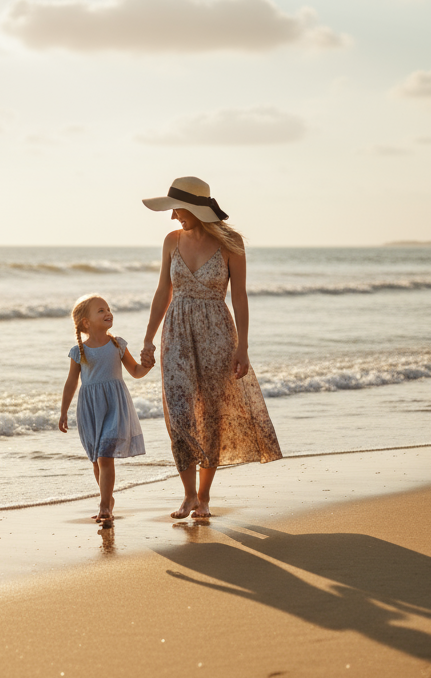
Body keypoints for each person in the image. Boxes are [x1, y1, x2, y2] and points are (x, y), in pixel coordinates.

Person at [139, 176, 282, 519]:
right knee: (178, 411)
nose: (173, 217)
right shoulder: (171, 241)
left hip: (218, 332)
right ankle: (187, 494)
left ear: (195, 208)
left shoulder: (231, 243)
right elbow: (163, 292)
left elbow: (240, 297)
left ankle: (203, 497)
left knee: (211, 415)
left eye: (177, 209)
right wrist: (148, 337)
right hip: (176, 331)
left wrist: (243, 347)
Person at [59, 294, 151, 526]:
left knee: (104, 455)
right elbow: (71, 383)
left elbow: (136, 371)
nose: (107, 312)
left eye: (108, 308)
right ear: (86, 322)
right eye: (100, 310)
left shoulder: (117, 344)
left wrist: (147, 365)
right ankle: (107, 501)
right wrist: (63, 412)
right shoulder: (79, 352)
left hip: (115, 406)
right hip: (90, 409)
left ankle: (102, 506)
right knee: (96, 459)